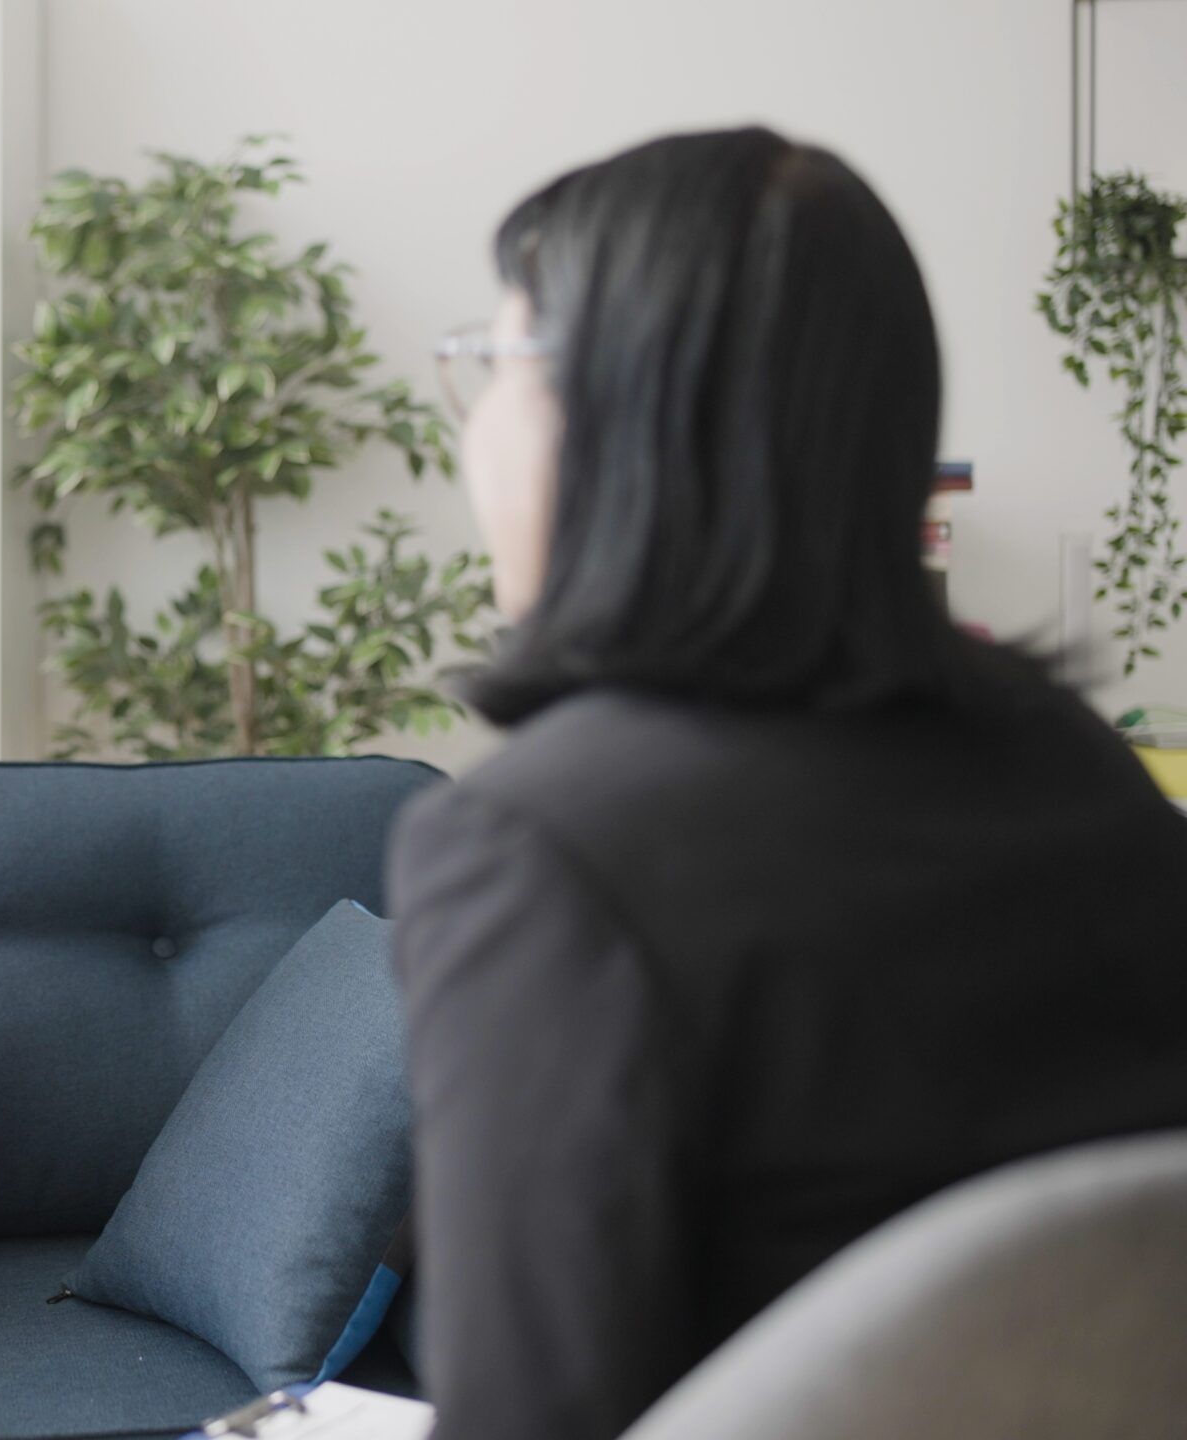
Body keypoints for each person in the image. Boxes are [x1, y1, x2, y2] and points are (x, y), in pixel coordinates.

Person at [389, 126, 1187, 1440]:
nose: (473, 433)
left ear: (626, 409)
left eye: (495, 361)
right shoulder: (1073, 763)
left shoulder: (537, 847)